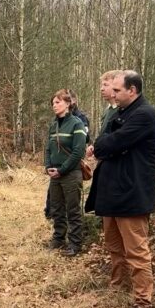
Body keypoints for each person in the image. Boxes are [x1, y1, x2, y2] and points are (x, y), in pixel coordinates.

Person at [86, 70, 155, 308]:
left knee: (137, 251)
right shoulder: (119, 113)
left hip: (132, 194)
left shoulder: (145, 115)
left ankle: (143, 301)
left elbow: (112, 142)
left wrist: (105, 146)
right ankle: (118, 286)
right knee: (114, 246)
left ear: (133, 90)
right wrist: (105, 145)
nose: (113, 94)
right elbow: (103, 141)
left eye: (118, 90)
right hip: (112, 193)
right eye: (113, 90)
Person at [44, 90, 88, 257]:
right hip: (54, 174)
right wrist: (48, 166)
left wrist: (62, 170)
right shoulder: (53, 125)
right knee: (56, 208)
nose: (54, 106)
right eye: (53, 103)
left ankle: (75, 243)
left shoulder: (77, 124)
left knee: (73, 209)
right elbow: (48, 148)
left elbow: (78, 152)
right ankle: (58, 239)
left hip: (70, 174)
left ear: (68, 104)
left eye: (58, 102)